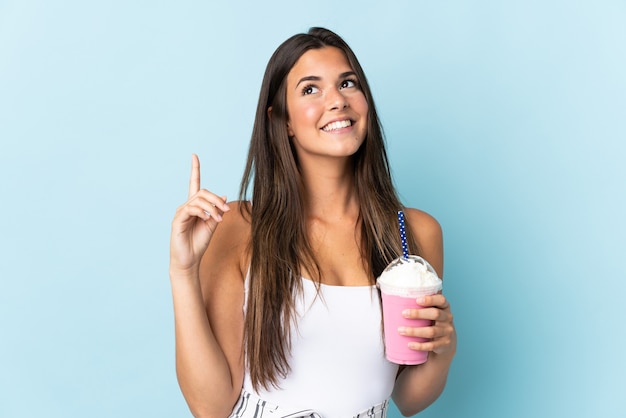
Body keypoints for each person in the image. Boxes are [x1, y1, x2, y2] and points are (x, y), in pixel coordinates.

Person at [169, 27, 456, 418]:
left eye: (347, 83)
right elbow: (211, 406)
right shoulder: (239, 225)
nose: (337, 100)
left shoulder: (414, 235)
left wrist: (444, 348)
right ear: (281, 120)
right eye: (310, 89)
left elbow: (408, 399)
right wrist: (183, 271)